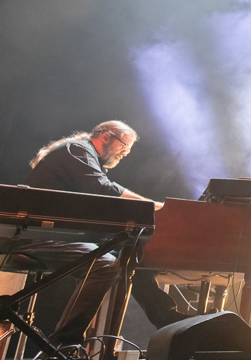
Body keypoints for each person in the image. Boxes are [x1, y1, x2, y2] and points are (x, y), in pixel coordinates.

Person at [20, 120, 187, 347]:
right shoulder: (78, 150)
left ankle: (167, 318)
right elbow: (102, 188)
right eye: (124, 145)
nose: (125, 153)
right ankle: (62, 345)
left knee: (129, 255)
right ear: (106, 136)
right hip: (35, 236)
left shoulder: (82, 154)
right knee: (106, 266)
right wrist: (153, 206)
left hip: (57, 233)